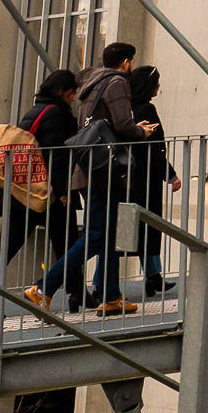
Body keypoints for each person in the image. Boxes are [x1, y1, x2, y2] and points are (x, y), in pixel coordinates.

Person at [31, 42, 157, 316]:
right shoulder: (117, 83)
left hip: (89, 168)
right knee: (96, 235)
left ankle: (111, 296)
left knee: (108, 233)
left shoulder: (90, 83)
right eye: (132, 61)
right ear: (126, 62)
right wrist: (142, 132)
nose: (132, 67)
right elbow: (123, 125)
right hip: (105, 171)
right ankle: (43, 288)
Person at [0, 69, 78, 320]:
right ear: (62, 92)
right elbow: (56, 155)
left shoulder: (36, 110)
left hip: (22, 191)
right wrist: (63, 191)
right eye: (73, 93)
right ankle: (76, 294)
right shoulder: (57, 114)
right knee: (68, 244)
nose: (74, 98)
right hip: (44, 192)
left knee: (9, 245)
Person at [124, 66, 184, 297]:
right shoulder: (147, 109)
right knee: (146, 225)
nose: (159, 88)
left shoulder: (126, 108)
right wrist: (170, 174)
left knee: (130, 228)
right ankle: (151, 276)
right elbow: (154, 148)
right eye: (156, 83)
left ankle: (153, 275)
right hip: (145, 178)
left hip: (127, 175)